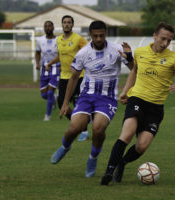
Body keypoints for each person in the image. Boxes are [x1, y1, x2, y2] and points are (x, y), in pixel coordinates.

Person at [101, 22, 175, 185]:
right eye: (163, 39)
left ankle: (122, 163)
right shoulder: (141, 52)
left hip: (156, 108)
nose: (165, 43)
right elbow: (134, 72)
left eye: (169, 41)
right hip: (137, 99)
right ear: (155, 36)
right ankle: (109, 172)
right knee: (127, 134)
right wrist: (125, 91)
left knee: (141, 146)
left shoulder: (173, 58)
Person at [50, 20, 134, 178]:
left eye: (102, 35)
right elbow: (73, 78)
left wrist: (129, 57)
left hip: (107, 98)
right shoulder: (83, 53)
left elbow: (133, 69)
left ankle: (93, 157)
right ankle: (65, 147)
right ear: (91, 35)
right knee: (74, 128)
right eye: (95, 36)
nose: (99, 39)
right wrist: (65, 103)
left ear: (105, 33)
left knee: (97, 128)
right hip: (86, 97)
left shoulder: (116, 49)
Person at [46, 15, 89, 140]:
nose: (66, 24)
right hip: (64, 77)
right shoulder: (58, 39)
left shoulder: (78, 39)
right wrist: (50, 63)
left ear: (72, 24)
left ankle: (84, 131)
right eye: (64, 22)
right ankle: (80, 125)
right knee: (61, 104)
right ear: (62, 24)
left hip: (78, 76)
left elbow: (88, 53)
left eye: (69, 22)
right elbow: (60, 56)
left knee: (77, 104)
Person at [35, 20, 59, 121]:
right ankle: (54, 99)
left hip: (56, 68)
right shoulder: (39, 40)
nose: (48, 28)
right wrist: (37, 63)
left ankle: (47, 115)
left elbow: (61, 54)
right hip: (44, 69)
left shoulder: (59, 39)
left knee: (49, 93)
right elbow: (37, 53)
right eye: (46, 26)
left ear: (53, 28)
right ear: (44, 28)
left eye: (50, 26)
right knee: (44, 95)